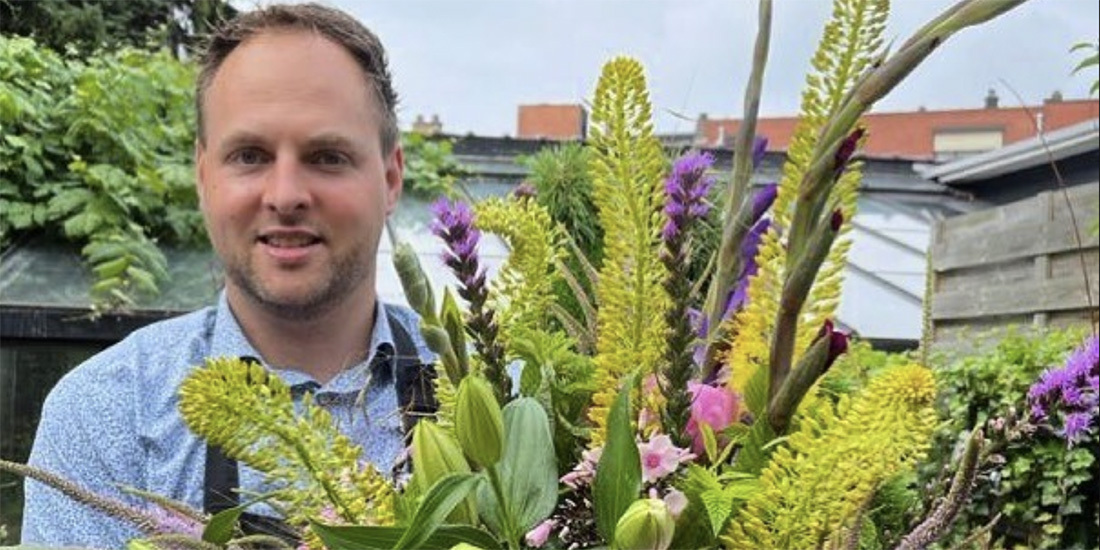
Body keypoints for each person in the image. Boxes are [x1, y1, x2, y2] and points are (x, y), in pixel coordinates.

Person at [21, 3, 435, 546]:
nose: (286, 195)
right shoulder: (105, 413)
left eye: (328, 156)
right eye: (249, 155)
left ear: (390, 178)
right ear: (202, 175)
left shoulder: (503, 389)